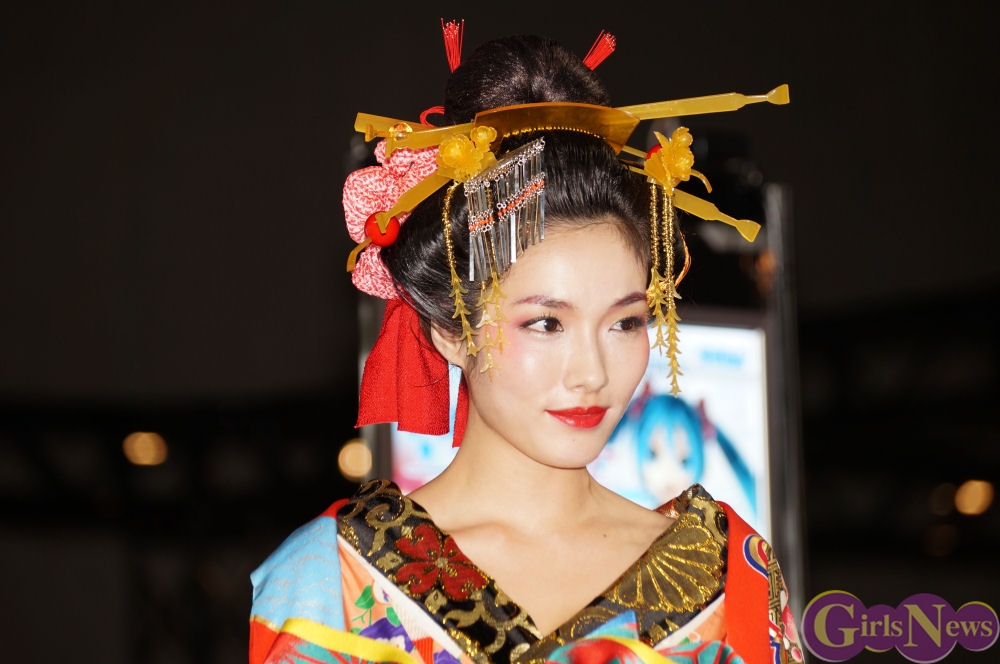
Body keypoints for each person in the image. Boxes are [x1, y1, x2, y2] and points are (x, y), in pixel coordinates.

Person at [249, 25, 802, 664]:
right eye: (545, 323)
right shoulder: (332, 579)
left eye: (625, 322)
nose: (592, 373)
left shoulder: (726, 576)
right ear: (449, 328)